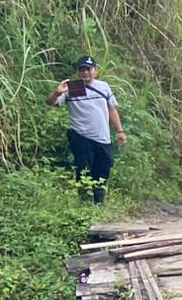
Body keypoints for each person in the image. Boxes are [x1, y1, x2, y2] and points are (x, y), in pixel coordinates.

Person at [45, 55, 126, 204]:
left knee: (103, 169)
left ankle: (99, 203)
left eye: (88, 69)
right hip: (81, 136)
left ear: (96, 71)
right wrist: (57, 92)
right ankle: (84, 203)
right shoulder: (72, 88)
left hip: (103, 137)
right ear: (77, 71)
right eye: (81, 69)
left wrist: (120, 131)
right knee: (84, 170)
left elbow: (112, 109)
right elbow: (50, 102)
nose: (85, 73)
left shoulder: (103, 86)